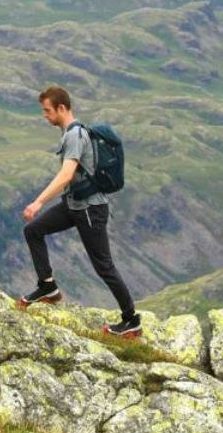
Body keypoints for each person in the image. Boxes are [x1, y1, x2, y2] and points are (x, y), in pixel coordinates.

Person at [17, 85, 141, 337]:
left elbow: (66, 175)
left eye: (48, 110)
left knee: (103, 266)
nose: (45, 115)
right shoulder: (71, 133)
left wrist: (38, 202)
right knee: (33, 231)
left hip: (89, 210)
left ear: (62, 108)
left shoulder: (74, 135)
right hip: (74, 205)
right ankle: (47, 287)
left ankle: (131, 320)